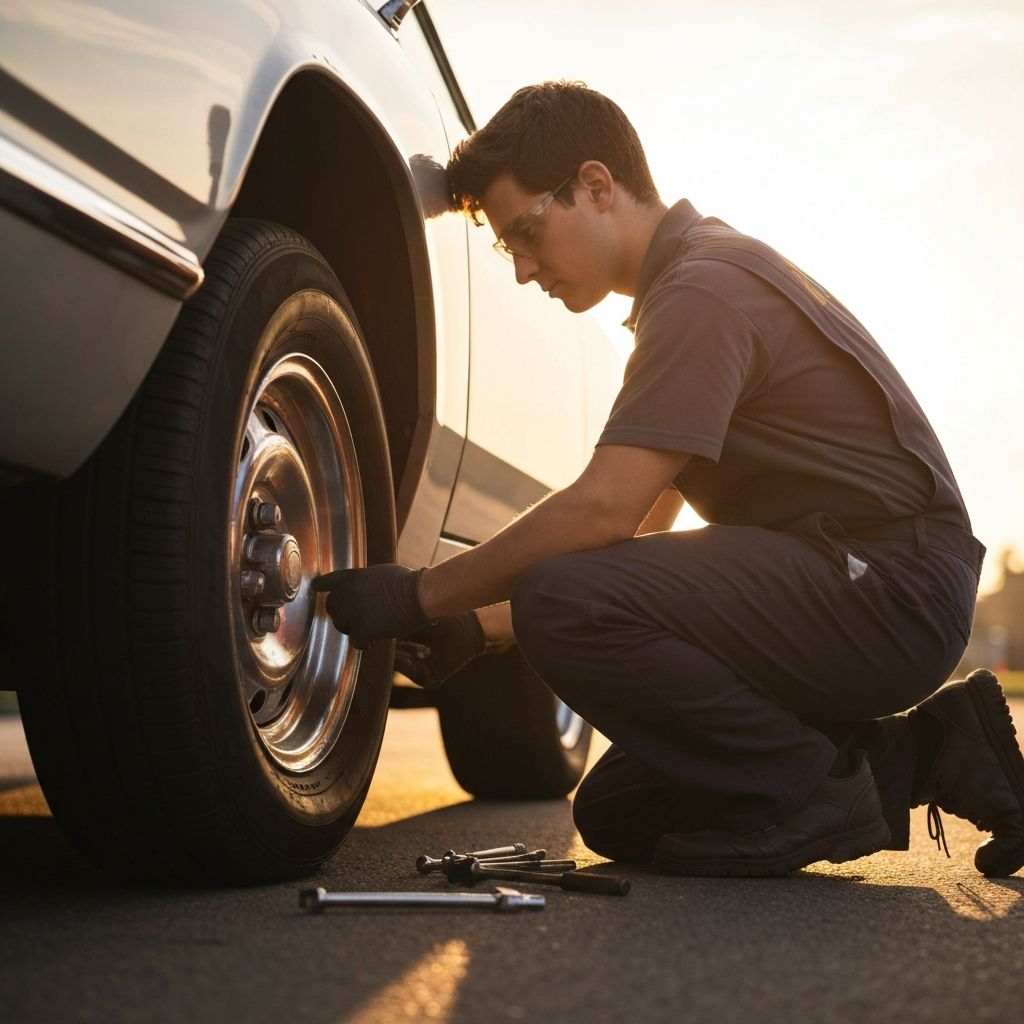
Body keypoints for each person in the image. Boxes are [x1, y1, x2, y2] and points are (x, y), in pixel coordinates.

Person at [313, 81, 1024, 878]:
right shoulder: (691, 287)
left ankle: (811, 790)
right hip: (860, 589)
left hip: (889, 588)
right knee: (621, 810)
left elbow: (602, 513)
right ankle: (932, 750)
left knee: (562, 594)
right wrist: (477, 630)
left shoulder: (702, 292)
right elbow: (647, 534)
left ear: (595, 186)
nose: (520, 270)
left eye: (526, 233)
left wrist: (419, 595)